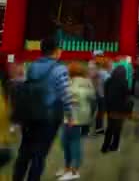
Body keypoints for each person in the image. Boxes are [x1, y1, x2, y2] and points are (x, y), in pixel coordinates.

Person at [13, 37, 73, 181]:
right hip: (48, 118)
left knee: (25, 152)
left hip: (30, 115)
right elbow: (65, 94)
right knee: (39, 155)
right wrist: (70, 115)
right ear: (56, 51)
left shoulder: (32, 66)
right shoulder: (60, 68)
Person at [56, 62, 95, 180]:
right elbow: (92, 99)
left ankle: (74, 170)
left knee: (72, 143)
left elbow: (71, 98)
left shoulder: (75, 83)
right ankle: (68, 168)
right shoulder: (86, 82)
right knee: (67, 142)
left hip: (73, 117)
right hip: (75, 117)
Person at [101, 66, 131, 153]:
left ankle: (104, 147)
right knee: (117, 129)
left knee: (109, 128)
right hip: (120, 109)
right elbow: (127, 97)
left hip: (110, 108)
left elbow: (105, 95)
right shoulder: (124, 82)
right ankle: (114, 146)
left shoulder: (108, 81)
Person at [93, 61, 111, 135]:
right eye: (110, 65)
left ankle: (98, 128)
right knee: (101, 113)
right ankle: (99, 129)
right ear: (107, 66)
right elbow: (109, 85)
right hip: (103, 95)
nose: (111, 67)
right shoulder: (106, 74)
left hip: (98, 93)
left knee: (100, 113)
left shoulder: (99, 72)